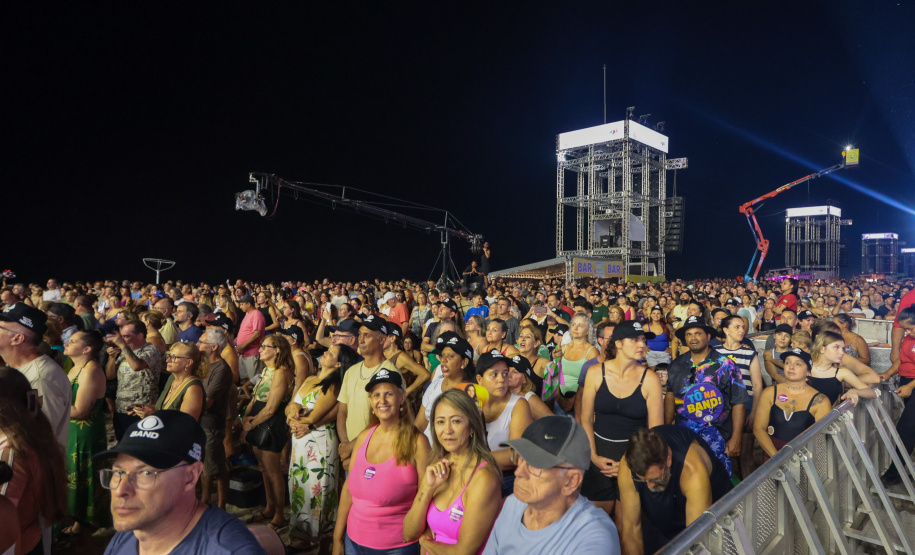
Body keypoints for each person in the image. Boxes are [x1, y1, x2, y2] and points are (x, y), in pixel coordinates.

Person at [97, 411, 265, 554]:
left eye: (145, 473)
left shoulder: (228, 549)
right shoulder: (132, 531)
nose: (120, 490)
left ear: (190, 477)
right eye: (119, 472)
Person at [483, 416, 620, 555]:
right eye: (520, 458)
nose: (518, 472)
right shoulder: (512, 504)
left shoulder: (593, 537)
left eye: (535, 465)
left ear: (571, 481)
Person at [333, 369, 430, 555]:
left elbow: (427, 497)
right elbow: (347, 491)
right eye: (376, 395)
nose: (382, 400)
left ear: (402, 397)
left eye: (389, 394)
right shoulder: (363, 438)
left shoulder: (417, 442)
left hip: (397, 546)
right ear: (370, 401)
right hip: (353, 542)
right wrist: (337, 539)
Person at [580, 321, 664, 517]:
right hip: (598, 457)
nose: (642, 345)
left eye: (643, 340)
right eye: (635, 340)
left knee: (626, 526)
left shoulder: (650, 380)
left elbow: (656, 432)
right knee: (595, 523)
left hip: (634, 459)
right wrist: (593, 457)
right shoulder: (595, 373)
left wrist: (631, 466)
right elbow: (586, 419)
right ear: (618, 343)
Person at [404, 389, 503, 554]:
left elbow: (464, 552)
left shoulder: (484, 478)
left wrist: (426, 543)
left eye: (456, 421)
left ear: (472, 427)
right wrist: (428, 488)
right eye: (440, 422)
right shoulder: (438, 467)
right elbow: (408, 533)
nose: (447, 430)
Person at [286, 344, 359, 552]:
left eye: (331, 353)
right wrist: (292, 412)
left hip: (319, 444)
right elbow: (289, 406)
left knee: (320, 491)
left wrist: (294, 417)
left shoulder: (334, 386)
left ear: (338, 364)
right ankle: (302, 536)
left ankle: (324, 542)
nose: (325, 352)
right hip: (300, 442)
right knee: (300, 487)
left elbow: (313, 417)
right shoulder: (309, 379)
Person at [618, 426, 733, 555]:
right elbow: (631, 530)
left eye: (654, 479)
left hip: (715, 511)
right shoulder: (627, 467)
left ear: (668, 460)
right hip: (665, 517)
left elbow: (696, 543)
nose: (649, 486)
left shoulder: (692, 471)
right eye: (643, 481)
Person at [665, 316, 749, 476]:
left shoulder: (725, 364)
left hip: (717, 436)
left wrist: (736, 437)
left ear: (708, 336)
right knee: (687, 479)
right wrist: (666, 430)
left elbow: (738, 401)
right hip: (684, 437)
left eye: (698, 333)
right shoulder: (676, 365)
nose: (693, 338)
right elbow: (670, 398)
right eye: (689, 334)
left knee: (718, 480)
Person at [0, 367, 68, 555]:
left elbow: (5, 514)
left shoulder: (12, 454)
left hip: (18, 546)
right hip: (29, 540)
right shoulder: (30, 433)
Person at [0, 303, 71, 451]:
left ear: (17, 339)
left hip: (31, 463)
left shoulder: (41, 377)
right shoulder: (15, 368)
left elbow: (41, 433)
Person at [241, 335, 294, 532]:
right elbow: (255, 398)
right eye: (261, 346)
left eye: (265, 346)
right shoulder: (266, 370)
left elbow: (271, 408)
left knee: (273, 471)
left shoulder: (282, 372)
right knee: (263, 469)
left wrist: (250, 424)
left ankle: (279, 514)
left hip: (270, 423)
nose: (260, 349)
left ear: (277, 350)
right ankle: (269, 507)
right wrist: (245, 419)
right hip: (257, 420)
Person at [336, 315, 401, 470]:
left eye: (367, 335)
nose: (361, 339)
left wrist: (352, 447)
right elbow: (342, 412)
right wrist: (345, 446)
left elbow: (387, 421)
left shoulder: (390, 373)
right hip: (350, 452)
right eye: (360, 334)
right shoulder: (351, 371)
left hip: (376, 453)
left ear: (382, 339)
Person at [62, 330, 107, 536]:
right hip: (72, 429)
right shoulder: (76, 366)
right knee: (74, 473)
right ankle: (77, 518)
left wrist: (50, 405)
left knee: (83, 474)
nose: (66, 343)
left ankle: (86, 520)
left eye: (72, 341)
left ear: (87, 349)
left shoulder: (90, 371)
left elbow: (80, 411)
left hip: (84, 432)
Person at [475, 351, 533, 496]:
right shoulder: (472, 402)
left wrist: (472, 460)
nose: (501, 379)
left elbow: (516, 455)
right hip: (475, 474)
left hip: (507, 478)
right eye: (494, 374)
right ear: (480, 379)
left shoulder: (518, 405)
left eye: (505, 374)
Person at [753, 349, 829, 458]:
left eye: (798, 364)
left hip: (803, 458)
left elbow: (820, 440)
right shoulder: (770, 393)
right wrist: (777, 458)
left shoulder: (820, 401)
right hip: (772, 456)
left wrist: (797, 460)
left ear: (808, 371)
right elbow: (759, 428)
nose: (791, 367)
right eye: (787, 363)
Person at [195, 328, 233, 509]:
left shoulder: (222, 369)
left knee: (213, 466)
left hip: (211, 423)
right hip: (200, 421)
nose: (197, 345)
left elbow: (208, 402)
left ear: (214, 347)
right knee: (208, 463)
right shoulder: (202, 364)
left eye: (202, 342)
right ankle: (209, 501)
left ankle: (217, 504)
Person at [879, 307, 915, 486]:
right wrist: (888, 373)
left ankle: (895, 473)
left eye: (910, 328)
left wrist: (910, 386)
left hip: (912, 385)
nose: (907, 332)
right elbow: (902, 359)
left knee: (905, 429)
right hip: (908, 383)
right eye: (905, 329)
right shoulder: (909, 339)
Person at [131, 341, 208, 421]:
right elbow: (163, 408)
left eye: (174, 357)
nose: (167, 360)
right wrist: (142, 408)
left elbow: (186, 423)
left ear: (188, 363)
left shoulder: (193, 389)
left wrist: (153, 414)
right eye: (169, 356)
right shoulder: (172, 378)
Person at [808, 330, 877, 407]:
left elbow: (872, 393)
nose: (842, 352)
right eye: (836, 347)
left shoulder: (842, 372)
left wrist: (855, 391)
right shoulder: (805, 368)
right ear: (822, 349)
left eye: (843, 349)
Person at [555, 314, 599, 415]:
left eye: (580, 325)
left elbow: (593, 382)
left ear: (588, 331)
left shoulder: (592, 352)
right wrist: (558, 397)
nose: (575, 328)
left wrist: (575, 399)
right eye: (573, 324)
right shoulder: (563, 348)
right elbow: (555, 375)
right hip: (560, 401)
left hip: (581, 402)